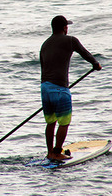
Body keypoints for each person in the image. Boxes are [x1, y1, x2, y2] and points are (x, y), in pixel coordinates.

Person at [40, 15, 102, 161]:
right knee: (64, 122)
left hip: (45, 88)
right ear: (64, 28)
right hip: (60, 89)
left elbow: (43, 67)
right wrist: (96, 64)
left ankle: (50, 152)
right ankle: (57, 153)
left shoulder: (44, 44)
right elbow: (84, 53)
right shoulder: (70, 40)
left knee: (51, 122)